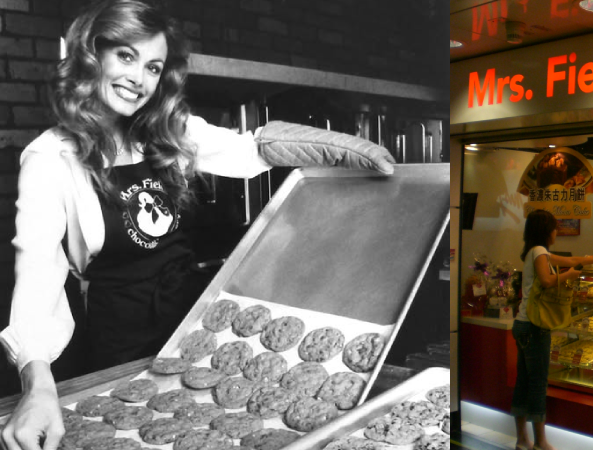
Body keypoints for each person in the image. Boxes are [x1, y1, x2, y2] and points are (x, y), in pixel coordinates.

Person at [0, 1, 394, 449]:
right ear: (92, 55)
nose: (139, 79)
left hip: (189, 322)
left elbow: (249, 149)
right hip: (116, 333)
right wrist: (38, 384)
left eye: (153, 67)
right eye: (125, 56)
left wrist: (342, 147)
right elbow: (37, 276)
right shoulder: (50, 158)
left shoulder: (163, 130)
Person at [511, 210, 593, 450]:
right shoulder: (539, 251)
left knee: (523, 383)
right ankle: (540, 442)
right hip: (535, 326)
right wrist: (570, 275)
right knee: (538, 384)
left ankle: (522, 439)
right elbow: (547, 280)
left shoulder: (534, 251)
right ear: (546, 231)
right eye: (555, 228)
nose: (556, 232)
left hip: (522, 324)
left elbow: (568, 260)